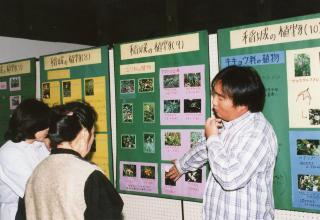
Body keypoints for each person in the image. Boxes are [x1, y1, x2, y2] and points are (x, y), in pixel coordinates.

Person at [166, 65, 278, 220]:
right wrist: (181, 165)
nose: (213, 102)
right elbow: (205, 149)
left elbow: (230, 177)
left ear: (243, 104)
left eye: (220, 98)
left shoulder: (258, 133)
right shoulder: (229, 123)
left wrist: (212, 138)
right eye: (213, 95)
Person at [25, 101, 123, 220]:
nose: (92, 140)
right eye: (93, 134)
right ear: (84, 134)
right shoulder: (89, 174)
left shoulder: (36, 172)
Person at [0, 99, 51, 220]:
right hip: (16, 213)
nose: (48, 129)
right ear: (33, 125)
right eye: (45, 126)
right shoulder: (10, 153)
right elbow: (36, 188)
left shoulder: (37, 144)